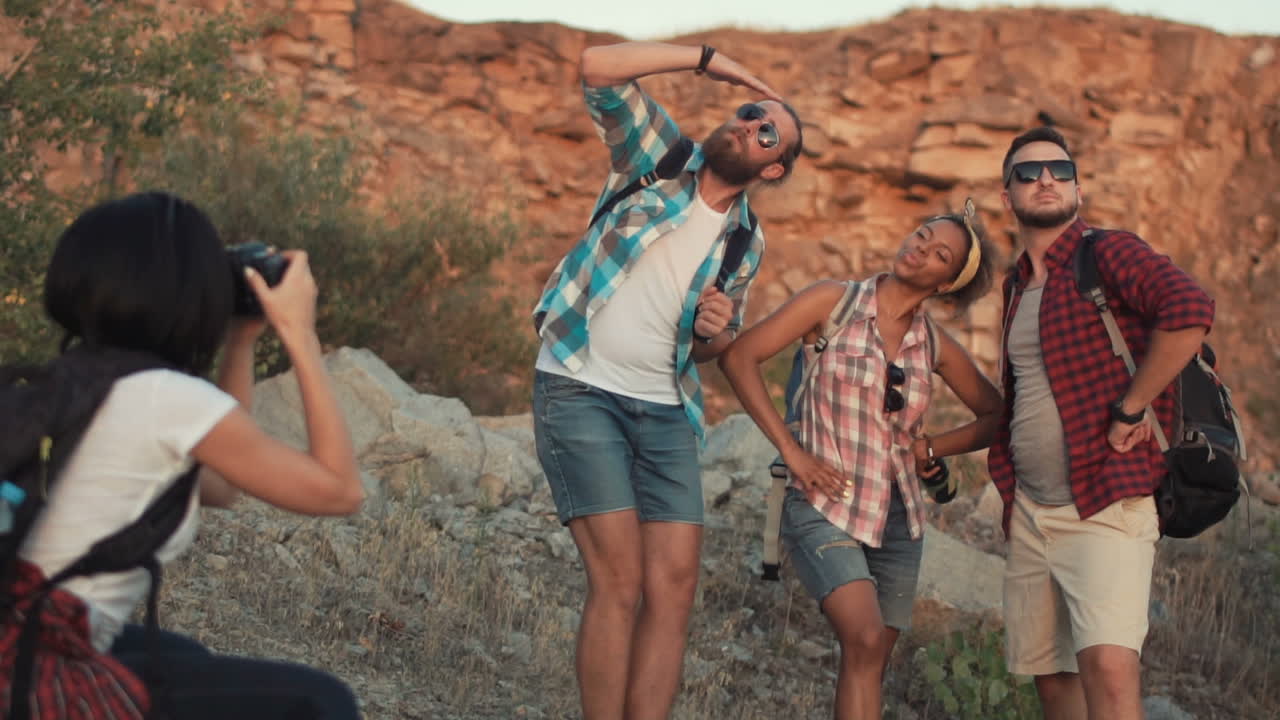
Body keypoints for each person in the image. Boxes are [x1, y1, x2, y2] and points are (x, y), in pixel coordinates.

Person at [1, 192, 364, 719]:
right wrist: (298, 332)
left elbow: (219, 485)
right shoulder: (165, 398)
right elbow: (340, 491)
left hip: (23, 630)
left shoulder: (75, 380)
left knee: (181, 657)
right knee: (320, 701)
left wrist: (241, 343)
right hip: (35, 671)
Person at [530, 41, 803, 720]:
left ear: (774, 167)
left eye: (766, 130)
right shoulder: (658, 158)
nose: (746, 124)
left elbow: (709, 349)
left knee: (673, 589)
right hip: (579, 388)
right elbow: (595, 66)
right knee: (618, 581)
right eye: (747, 112)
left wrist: (717, 330)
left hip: (665, 412)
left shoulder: (746, 241)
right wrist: (712, 61)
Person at [719, 201, 1002, 720]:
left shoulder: (933, 344)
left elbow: (994, 414)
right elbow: (739, 357)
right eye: (921, 235)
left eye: (939, 253)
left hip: (900, 521)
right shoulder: (835, 302)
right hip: (822, 500)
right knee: (866, 638)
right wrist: (792, 450)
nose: (919, 249)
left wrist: (933, 448)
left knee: (868, 659)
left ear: (945, 284)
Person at [988, 127, 1215, 720]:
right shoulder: (1016, 286)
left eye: (1060, 171)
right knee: (1053, 681)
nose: (1046, 180)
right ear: (1006, 193)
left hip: (1106, 502)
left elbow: (1190, 309)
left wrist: (1132, 407)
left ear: (1077, 189)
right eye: (1029, 171)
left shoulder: (1106, 252)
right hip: (1032, 513)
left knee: (1110, 677)